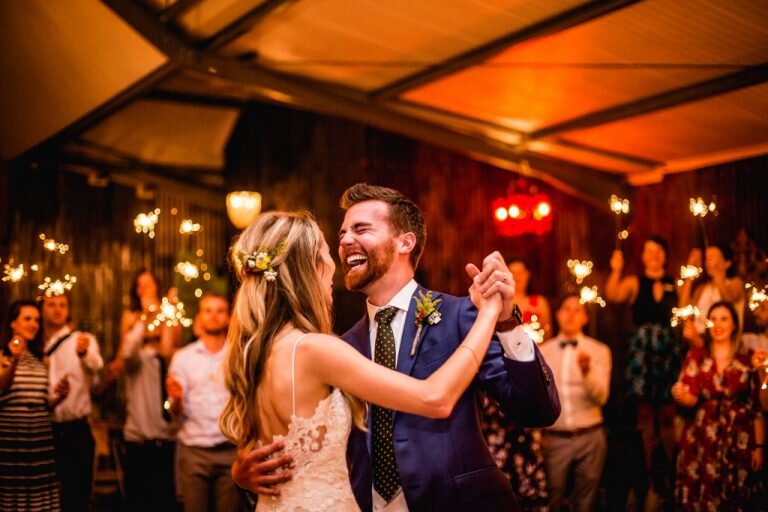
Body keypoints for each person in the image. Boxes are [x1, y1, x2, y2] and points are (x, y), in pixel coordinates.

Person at [231, 183, 560, 511]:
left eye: (361, 229)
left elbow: (538, 410)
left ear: (405, 242)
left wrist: (504, 322)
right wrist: (245, 472)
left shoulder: (460, 316)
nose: (345, 240)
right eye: (342, 233)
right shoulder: (337, 347)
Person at [605, 236, 680, 507]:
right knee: (646, 413)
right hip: (642, 352)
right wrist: (615, 269)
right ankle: (649, 476)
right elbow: (612, 294)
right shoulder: (635, 282)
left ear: (665, 255)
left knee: (669, 411)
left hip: (668, 350)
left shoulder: (677, 282)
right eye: (648, 250)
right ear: (643, 256)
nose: (653, 255)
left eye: (658, 250)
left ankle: (670, 474)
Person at [672, 301, 765, 510]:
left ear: (734, 325)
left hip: (737, 438)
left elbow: (756, 407)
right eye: (713, 319)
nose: (717, 324)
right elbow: (691, 399)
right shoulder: (697, 355)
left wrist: (759, 447)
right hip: (701, 438)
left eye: (724, 319)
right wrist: (681, 394)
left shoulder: (748, 357)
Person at [481, 257, 551, 511]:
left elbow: (548, 337)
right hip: (501, 370)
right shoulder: (492, 304)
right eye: (515, 272)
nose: (519, 276)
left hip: (527, 364)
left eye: (523, 272)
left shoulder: (538, 302)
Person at [166, 293, 243, 512]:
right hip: (194, 452)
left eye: (220, 311)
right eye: (208, 310)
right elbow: (175, 412)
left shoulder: (238, 355)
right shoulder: (183, 357)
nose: (214, 316)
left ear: (228, 318)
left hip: (230, 450)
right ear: (199, 317)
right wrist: (177, 399)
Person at [114, 270, 180, 512]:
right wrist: (145, 317)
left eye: (149, 285)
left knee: (165, 496)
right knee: (138, 498)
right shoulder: (131, 320)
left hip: (165, 435)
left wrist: (161, 315)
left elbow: (169, 348)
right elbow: (126, 351)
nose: (145, 290)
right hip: (138, 435)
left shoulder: (168, 315)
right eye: (140, 286)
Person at [539, 294, 611, 512]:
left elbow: (601, 398)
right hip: (555, 439)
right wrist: (537, 434)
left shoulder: (600, 351)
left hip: (591, 436)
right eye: (566, 309)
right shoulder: (543, 351)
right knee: (552, 498)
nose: (571, 315)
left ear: (585, 318)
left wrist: (587, 372)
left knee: (586, 502)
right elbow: (538, 398)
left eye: (577, 310)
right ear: (558, 315)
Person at [0, 299, 70, 512]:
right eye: (27, 319)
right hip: (13, 443)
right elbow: (2, 389)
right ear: (13, 323)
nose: (34, 324)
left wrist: (59, 397)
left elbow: (41, 405)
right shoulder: (3, 356)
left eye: (37, 320)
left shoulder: (42, 359)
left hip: (40, 444)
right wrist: (14, 360)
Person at [41, 293, 104, 512]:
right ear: (42, 309)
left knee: (77, 496)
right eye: (51, 304)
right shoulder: (35, 344)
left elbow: (97, 365)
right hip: (45, 431)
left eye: (62, 305)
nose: (57, 309)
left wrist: (85, 353)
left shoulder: (82, 338)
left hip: (76, 429)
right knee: (47, 498)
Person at [679, 244, 746, 345]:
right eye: (707, 257)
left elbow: (729, 303)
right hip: (699, 342)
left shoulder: (735, 283)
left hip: (725, 343)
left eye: (713, 256)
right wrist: (690, 273)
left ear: (727, 263)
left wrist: (718, 274)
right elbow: (683, 311)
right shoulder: (702, 288)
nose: (708, 260)